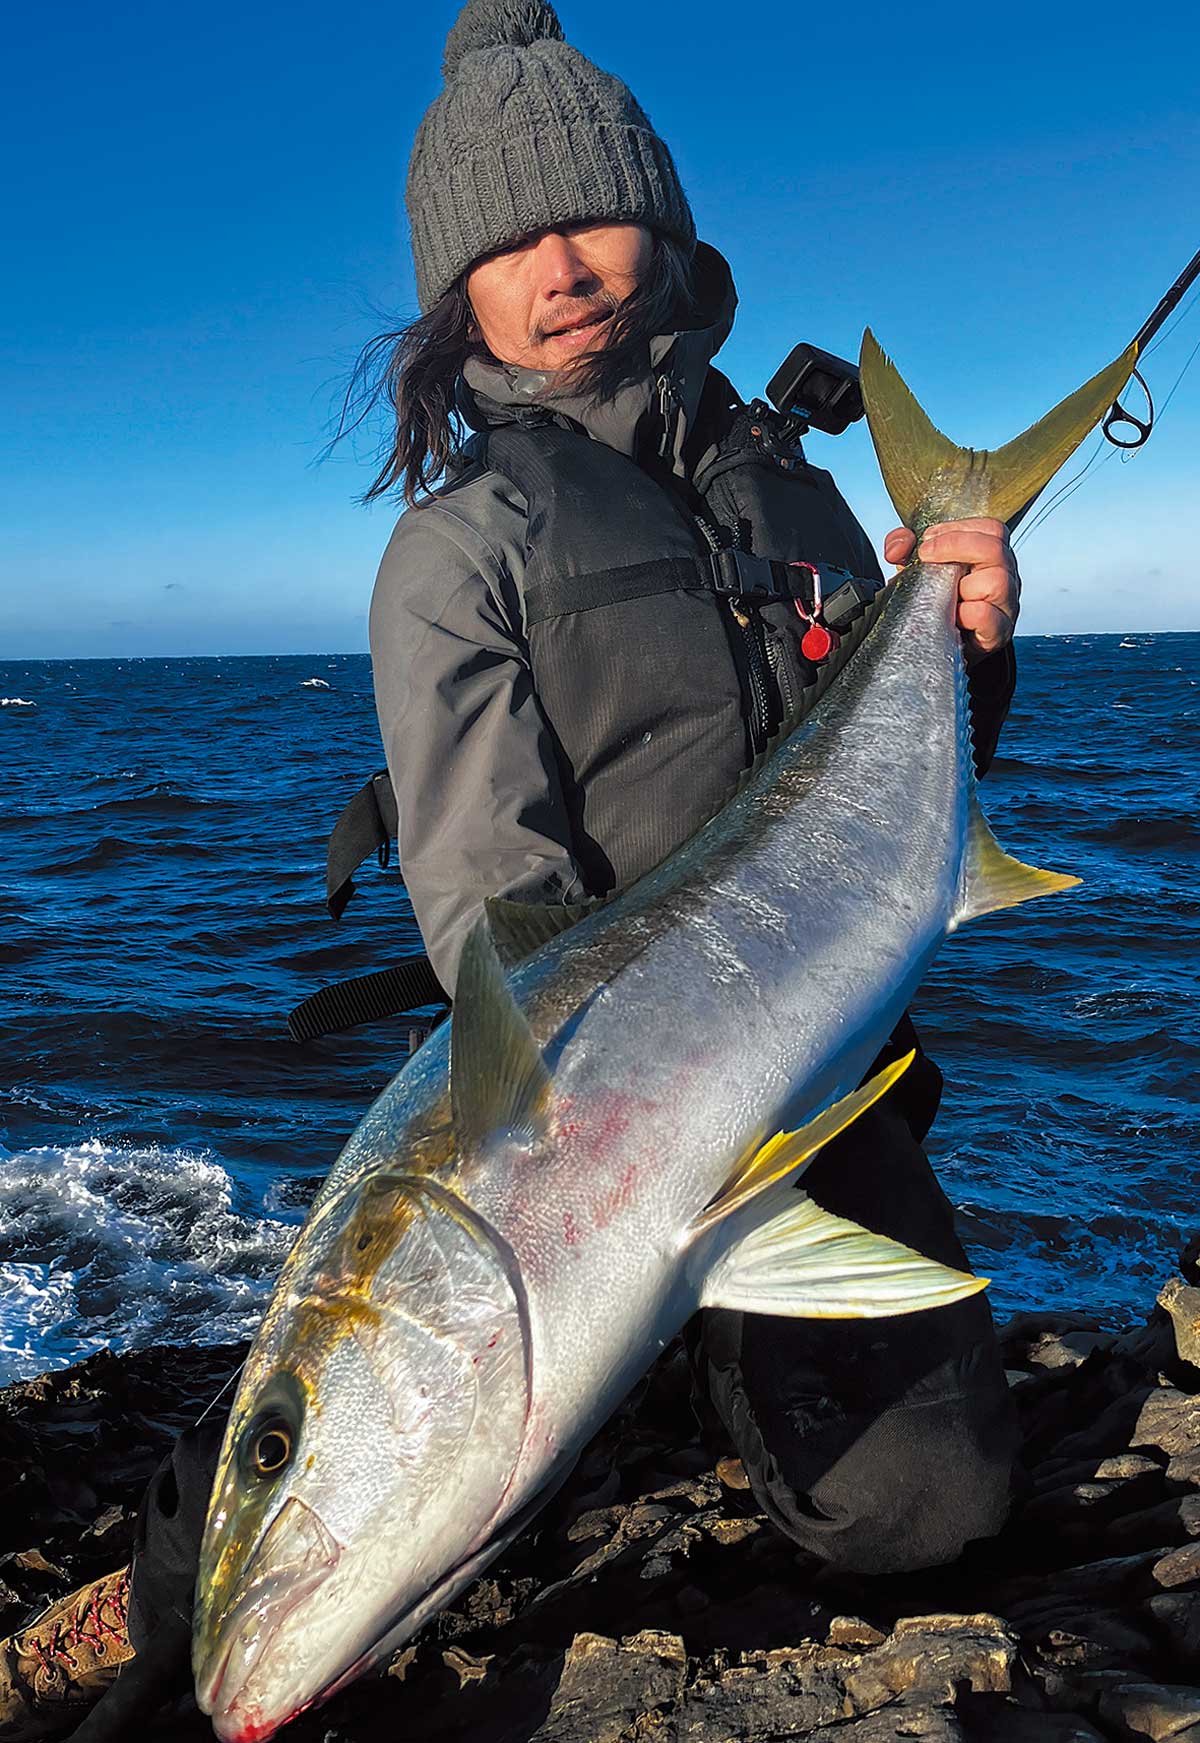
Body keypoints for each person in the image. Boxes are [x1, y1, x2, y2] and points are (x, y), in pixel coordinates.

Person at [0, 1, 1021, 1735]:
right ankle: (143, 1597)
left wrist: (971, 652)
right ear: (452, 294)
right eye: (501, 242)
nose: (556, 267)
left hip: (824, 1073)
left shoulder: (812, 504)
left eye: (588, 216)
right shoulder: (454, 554)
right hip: (585, 1086)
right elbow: (493, 899)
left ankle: (664, 1355)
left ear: (668, 231)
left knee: (933, 1511)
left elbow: (907, 805)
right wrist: (610, 1166)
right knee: (362, 1354)